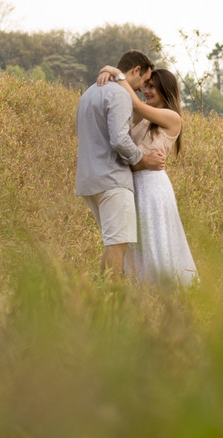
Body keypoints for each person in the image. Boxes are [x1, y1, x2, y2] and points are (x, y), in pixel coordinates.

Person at [98, 65, 198, 287]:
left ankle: (160, 290)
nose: (146, 90)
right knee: (134, 241)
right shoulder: (142, 121)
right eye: (146, 86)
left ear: (166, 90)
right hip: (132, 184)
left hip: (153, 187)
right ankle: (138, 290)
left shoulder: (172, 118)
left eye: (152, 87)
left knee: (155, 238)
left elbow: (134, 102)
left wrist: (113, 70)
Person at [76, 50, 165, 279]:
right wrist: (143, 160)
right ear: (136, 70)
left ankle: (105, 295)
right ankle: (110, 299)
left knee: (113, 242)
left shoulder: (89, 93)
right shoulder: (119, 95)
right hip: (112, 180)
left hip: (88, 181)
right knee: (118, 244)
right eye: (143, 81)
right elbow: (119, 139)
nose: (140, 89)